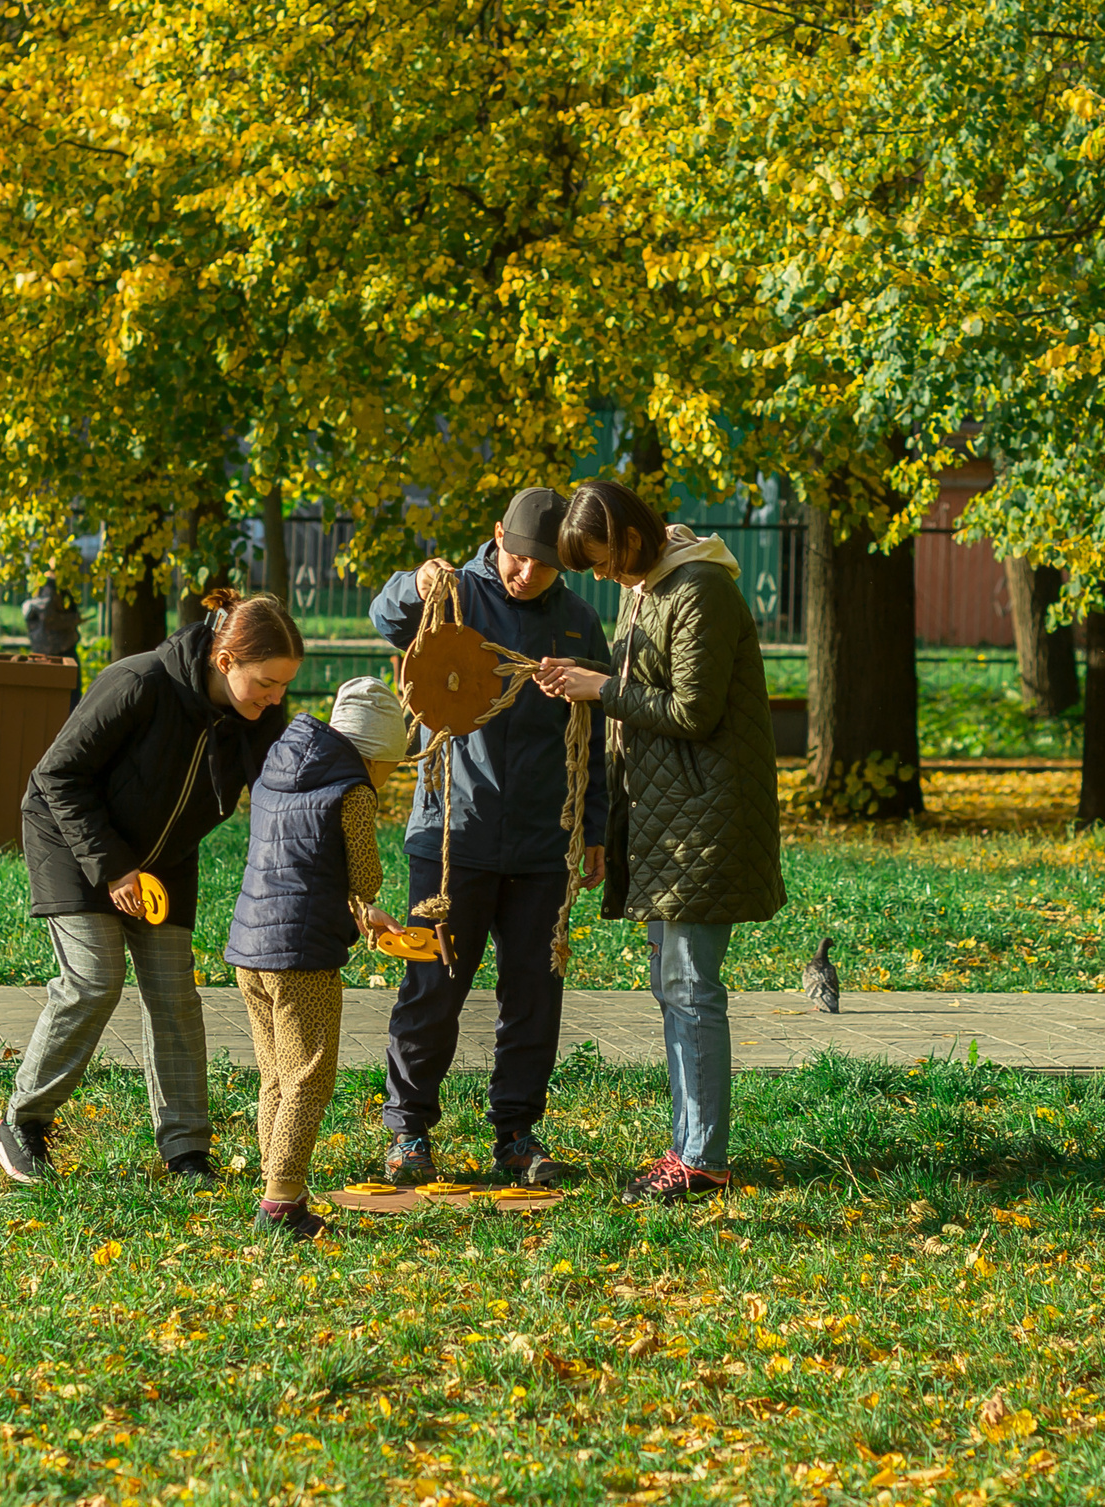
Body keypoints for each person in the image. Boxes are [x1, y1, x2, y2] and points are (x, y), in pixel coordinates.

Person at [0, 589, 302, 1188]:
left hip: (165, 862)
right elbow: (57, 775)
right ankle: (20, 1124)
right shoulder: (138, 683)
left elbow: (283, 797)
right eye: (266, 682)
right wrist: (113, 868)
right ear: (226, 660)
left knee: (175, 998)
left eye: (284, 686)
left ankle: (186, 1152)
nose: (274, 697)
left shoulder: (258, 718)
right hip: (74, 843)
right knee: (95, 979)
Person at [534, 482, 785, 1204]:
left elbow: (693, 709)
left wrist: (599, 687)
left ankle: (702, 1157)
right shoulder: (652, 585)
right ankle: (689, 1145)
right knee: (673, 985)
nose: (603, 576)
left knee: (690, 987)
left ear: (634, 538)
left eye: (604, 559)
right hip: (667, 818)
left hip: (705, 818)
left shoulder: (699, 587)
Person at [368, 487, 608, 1189]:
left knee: (535, 991)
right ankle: (408, 1129)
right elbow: (388, 618)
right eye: (517, 556)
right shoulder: (457, 594)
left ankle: (517, 1133)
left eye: (543, 564)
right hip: (453, 833)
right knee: (431, 984)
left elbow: (592, 738)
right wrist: (413, 584)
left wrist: (593, 829)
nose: (526, 574)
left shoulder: (577, 621)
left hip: (543, 844)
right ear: (495, 534)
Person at [224, 677, 412, 1239]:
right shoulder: (351, 789)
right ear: (372, 752)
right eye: (388, 767)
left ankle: (281, 1189)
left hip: (250, 949)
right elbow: (365, 873)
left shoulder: (277, 771)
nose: (385, 779)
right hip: (302, 957)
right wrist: (370, 897)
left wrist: (361, 910)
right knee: (308, 1077)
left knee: (276, 1077)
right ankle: (281, 1202)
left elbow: (302, 864)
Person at [22, 575, 83, 660]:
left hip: (62, 652)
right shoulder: (39, 605)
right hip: (47, 655)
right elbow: (50, 619)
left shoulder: (38, 601)